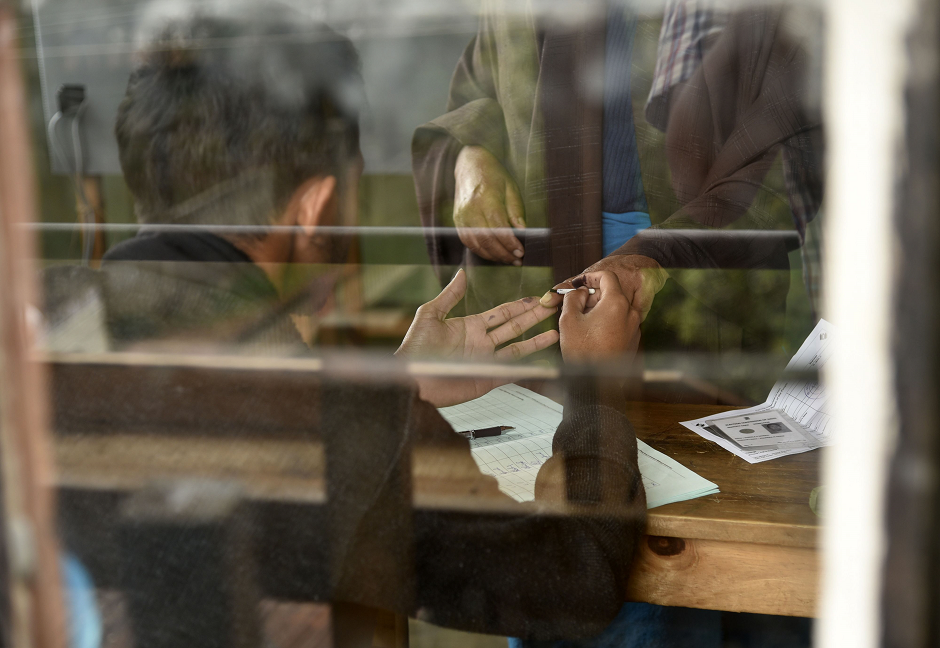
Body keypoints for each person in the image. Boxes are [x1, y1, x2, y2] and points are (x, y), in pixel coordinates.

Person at [67, 6, 648, 640]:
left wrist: (399, 385)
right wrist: (597, 384)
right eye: (355, 186)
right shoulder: (333, 423)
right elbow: (572, 583)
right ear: (316, 210)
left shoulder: (54, 341)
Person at [412, 1, 823, 362]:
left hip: (687, 300)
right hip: (528, 298)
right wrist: (470, 155)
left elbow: (784, 149)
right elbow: (480, 83)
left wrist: (655, 255)